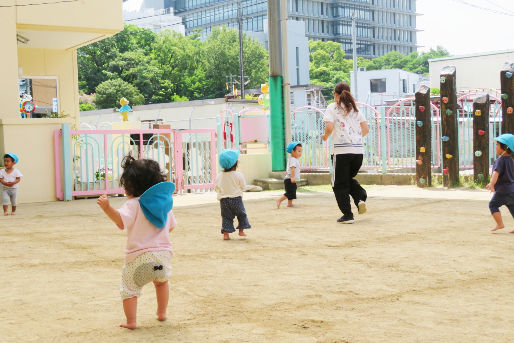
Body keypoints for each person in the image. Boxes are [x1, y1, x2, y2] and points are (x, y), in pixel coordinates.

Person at [97, 155, 177, 329]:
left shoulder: (133, 204)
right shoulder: (164, 206)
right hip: (161, 260)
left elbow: (120, 221)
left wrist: (107, 208)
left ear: (131, 186)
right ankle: (162, 312)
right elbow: (170, 227)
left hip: (138, 261)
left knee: (129, 290)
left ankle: (131, 321)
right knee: (162, 283)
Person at [321, 82, 369, 224]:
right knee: (346, 179)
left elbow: (329, 127)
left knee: (339, 184)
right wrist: (355, 139)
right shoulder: (356, 109)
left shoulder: (332, 107)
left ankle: (347, 215)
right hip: (358, 152)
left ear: (336, 94)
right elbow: (366, 129)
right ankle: (360, 197)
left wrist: (325, 136)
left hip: (341, 151)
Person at [215, 149, 251, 240]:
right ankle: (241, 231)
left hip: (224, 201)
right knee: (241, 214)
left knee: (226, 217)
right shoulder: (239, 175)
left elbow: (217, 188)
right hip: (236, 200)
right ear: (236, 163)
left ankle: (226, 234)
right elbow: (243, 187)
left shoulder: (219, 176)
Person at [486, 133, 514, 232]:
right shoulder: (511, 160)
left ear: (504, 148)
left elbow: (495, 173)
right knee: (512, 207)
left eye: (497, 145)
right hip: (511, 190)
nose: (496, 147)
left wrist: (492, 184)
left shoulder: (500, 160)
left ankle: (500, 224)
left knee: (493, 205)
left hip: (502, 191)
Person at [277, 142, 302, 209]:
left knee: (292, 191)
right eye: (298, 151)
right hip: (290, 179)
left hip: (289, 179)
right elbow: (292, 169)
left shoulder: (292, 159)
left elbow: (287, 169)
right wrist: (292, 177)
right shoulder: (293, 160)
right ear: (292, 151)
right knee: (290, 192)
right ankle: (279, 200)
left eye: (301, 151)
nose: (300, 153)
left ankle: (290, 203)